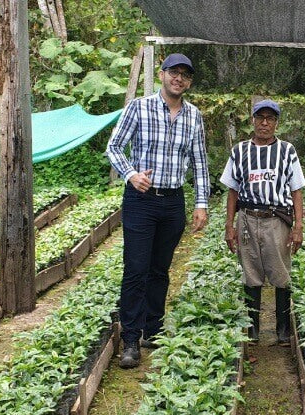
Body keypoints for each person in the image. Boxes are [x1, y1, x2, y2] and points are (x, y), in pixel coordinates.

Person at [106, 53, 210, 369]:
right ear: (162, 74)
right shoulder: (139, 107)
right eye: (174, 72)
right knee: (136, 268)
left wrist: (201, 203)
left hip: (172, 201)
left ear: (189, 82)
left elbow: (200, 162)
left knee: (160, 269)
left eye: (185, 75)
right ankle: (130, 340)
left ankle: (154, 328)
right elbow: (114, 147)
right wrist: (130, 174)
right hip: (141, 200)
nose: (179, 78)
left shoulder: (194, 116)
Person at [220, 99, 305, 347]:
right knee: (251, 272)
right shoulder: (239, 151)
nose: (264, 123)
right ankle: (253, 327)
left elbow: (296, 190)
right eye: (260, 118)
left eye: (270, 119)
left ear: (277, 123)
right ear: (253, 120)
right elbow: (233, 191)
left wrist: (298, 226)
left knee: (280, 273)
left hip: (276, 220)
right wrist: (230, 224)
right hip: (247, 219)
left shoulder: (287, 151)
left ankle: (282, 329)